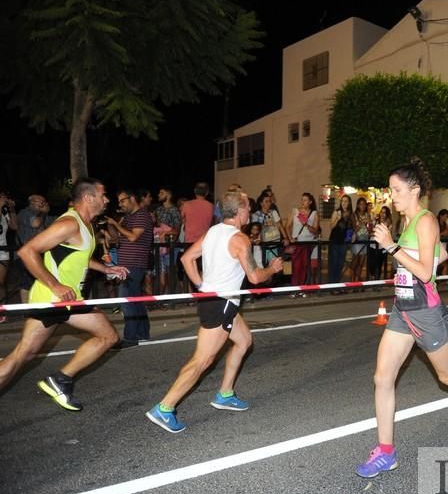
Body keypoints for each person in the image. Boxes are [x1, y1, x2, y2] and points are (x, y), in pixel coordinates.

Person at [356, 156, 448, 479]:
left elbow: (425, 273)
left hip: (428, 314)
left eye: (397, 190)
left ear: (414, 190)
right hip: (403, 310)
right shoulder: (409, 223)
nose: (393, 196)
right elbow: (439, 255)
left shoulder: (426, 220)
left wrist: (391, 247)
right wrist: (408, 249)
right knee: (382, 377)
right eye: (391, 190)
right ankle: (386, 452)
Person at [146, 191, 283, 433]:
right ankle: (165, 408)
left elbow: (187, 259)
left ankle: (225, 394)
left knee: (243, 341)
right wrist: (272, 269)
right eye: (247, 209)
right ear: (240, 212)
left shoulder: (212, 232)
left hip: (217, 301)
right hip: (222, 304)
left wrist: (202, 286)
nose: (249, 212)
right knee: (203, 359)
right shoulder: (240, 239)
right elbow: (254, 277)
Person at [0, 178, 129, 410]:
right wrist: (55, 285)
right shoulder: (69, 223)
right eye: (103, 195)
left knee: (108, 337)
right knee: (22, 356)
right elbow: (27, 251)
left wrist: (106, 268)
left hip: (70, 300)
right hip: (52, 299)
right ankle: (60, 380)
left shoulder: (87, 224)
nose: (107, 199)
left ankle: (60, 380)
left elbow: (79, 257)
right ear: (88, 197)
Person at [106, 190, 153, 349]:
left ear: (132, 198)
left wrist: (117, 224)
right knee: (136, 301)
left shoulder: (142, 215)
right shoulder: (128, 217)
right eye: (119, 202)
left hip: (134, 263)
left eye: (123, 201)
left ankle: (131, 337)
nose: (120, 204)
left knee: (126, 301)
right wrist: (111, 225)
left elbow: (133, 237)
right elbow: (115, 238)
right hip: (127, 263)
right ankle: (143, 333)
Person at [14, 194, 54, 303]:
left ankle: (38, 306)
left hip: (39, 253)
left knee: (41, 280)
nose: (44, 203)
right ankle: (26, 309)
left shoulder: (44, 217)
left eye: (44, 201)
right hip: (25, 254)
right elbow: (35, 223)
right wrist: (44, 212)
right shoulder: (24, 213)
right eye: (41, 201)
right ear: (32, 202)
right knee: (27, 282)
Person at [328, 195, 353, 285]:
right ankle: (332, 285)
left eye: (346, 201)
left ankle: (337, 284)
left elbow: (350, 228)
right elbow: (331, 226)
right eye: (342, 201)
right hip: (335, 241)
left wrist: (351, 237)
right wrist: (337, 219)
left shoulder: (350, 213)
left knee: (340, 264)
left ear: (349, 202)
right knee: (334, 264)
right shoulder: (337, 212)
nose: (344, 203)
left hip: (344, 242)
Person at [0, 192, 18, 310]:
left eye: (5, 197)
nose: (4, 199)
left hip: (2, 251)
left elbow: (15, 226)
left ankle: (1, 310)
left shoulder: (5, 212)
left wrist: (11, 209)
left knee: (0, 283)